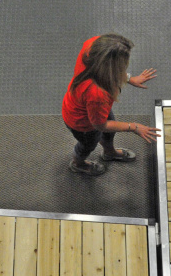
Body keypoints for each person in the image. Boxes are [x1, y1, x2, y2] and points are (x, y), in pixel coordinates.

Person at [62, 34, 161, 176]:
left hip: (95, 108)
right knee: (88, 145)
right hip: (82, 123)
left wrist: (129, 79)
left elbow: (109, 68)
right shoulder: (97, 93)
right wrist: (134, 127)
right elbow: (100, 125)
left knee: (110, 133)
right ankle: (78, 164)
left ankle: (109, 153)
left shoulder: (92, 46)